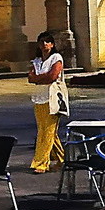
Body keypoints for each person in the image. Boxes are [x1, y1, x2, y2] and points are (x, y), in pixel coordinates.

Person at [27, 32, 69, 173]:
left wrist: (39, 78)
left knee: (48, 131)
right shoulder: (37, 61)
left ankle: (41, 163)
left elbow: (53, 76)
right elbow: (30, 78)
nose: (45, 44)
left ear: (52, 44)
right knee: (44, 130)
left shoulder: (56, 58)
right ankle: (62, 158)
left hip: (52, 98)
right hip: (39, 98)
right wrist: (40, 78)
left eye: (47, 41)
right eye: (42, 42)